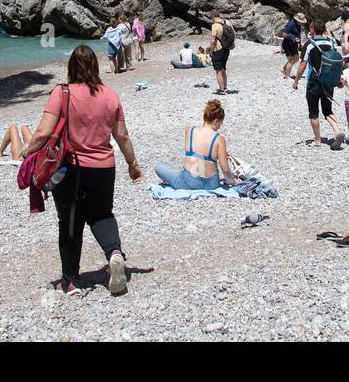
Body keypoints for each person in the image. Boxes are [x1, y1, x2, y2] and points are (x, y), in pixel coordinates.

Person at [22, 45, 143, 295]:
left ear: (70, 67)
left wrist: (27, 151)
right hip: (104, 167)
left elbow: (44, 132)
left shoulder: (62, 93)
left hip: (71, 170)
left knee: (70, 222)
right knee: (102, 214)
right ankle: (115, 253)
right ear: (95, 66)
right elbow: (122, 135)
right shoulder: (110, 95)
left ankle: (70, 281)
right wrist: (133, 164)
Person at [154, 99, 239, 190]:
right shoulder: (219, 139)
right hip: (211, 185)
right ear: (216, 121)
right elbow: (225, 170)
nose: (219, 127)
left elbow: (198, 152)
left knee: (159, 166)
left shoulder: (189, 131)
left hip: (188, 182)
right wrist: (233, 181)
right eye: (220, 124)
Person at [292, 19, 345, 150]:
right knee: (327, 110)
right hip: (328, 81)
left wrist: (296, 80)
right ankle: (337, 131)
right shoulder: (332, 42)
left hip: (313, 82)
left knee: (313, 112)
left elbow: (303, 64)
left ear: (312, 29)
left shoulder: (309, 44)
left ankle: (317, 140)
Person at [209, 12, 230, 94]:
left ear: (212, 17)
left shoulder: (214, 25)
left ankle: (222, 90)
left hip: (218, 49)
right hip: (226, 49)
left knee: (218, 71)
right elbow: (234, 34)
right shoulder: (227, 22)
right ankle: (225, 87)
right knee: (223, 68)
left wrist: (211, 51)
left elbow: (213, 40)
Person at [281, 12, 305, 79]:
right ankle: (287, 76)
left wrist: (300, 44)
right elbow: (284, 34)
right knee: (290, 60)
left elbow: (298, 34)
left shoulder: (299, 25)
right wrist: (293, 38)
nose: (302, 23)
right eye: (301, 21)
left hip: (294, 44)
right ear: (297, 20)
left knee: (296, 58)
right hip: (287, 44)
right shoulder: (290, 24)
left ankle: (284, 69)